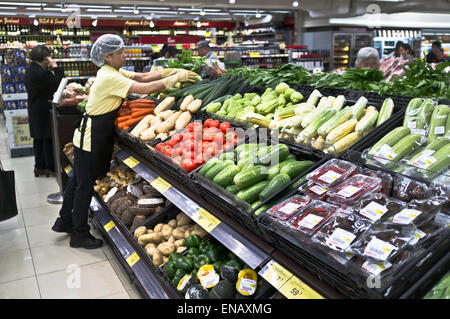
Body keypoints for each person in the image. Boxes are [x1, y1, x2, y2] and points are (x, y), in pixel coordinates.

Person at [51, 34, 198, 249]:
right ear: (108, 56)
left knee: (75, 180)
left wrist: (168, 71)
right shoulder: (110, 77)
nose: (124, 55)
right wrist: (173, 79)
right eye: (120, 53)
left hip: (89, 134)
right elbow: (144, 89)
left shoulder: (111, 71)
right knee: (84, 186)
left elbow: (141, 77)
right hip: (91, 137)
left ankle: (64, 221)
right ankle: (79, 234)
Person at [24, 45, 64, 177]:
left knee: (38, 138)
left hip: (34, 107)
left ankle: (39, 167)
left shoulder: (30, 70)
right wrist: (55, 67)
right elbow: (58, 83)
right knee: (47, 138)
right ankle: (50, 168)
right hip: (43, 109)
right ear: (44, 58)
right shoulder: (42, 73)